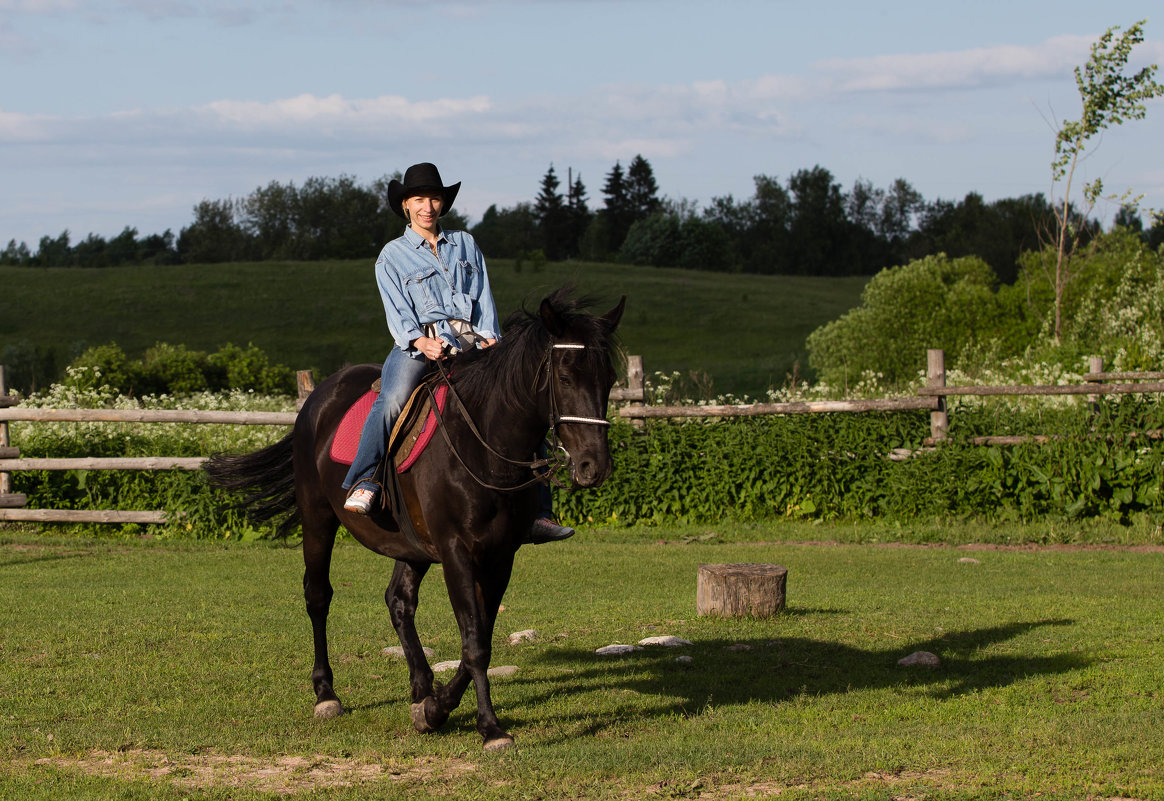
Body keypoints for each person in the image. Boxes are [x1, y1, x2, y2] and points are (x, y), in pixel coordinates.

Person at [342, 162, 574, 544]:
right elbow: (397, 311)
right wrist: (420, 341)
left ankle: (539, 511)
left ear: (443, 203)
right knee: (392, 399)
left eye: (434, 198)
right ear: (405, 205)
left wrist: (489, 337)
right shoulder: (392, 256)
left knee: (521, 404)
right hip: (419, 346)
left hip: (472, 345)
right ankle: (365, 478)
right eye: (418, 199)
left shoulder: (466, 244)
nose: (427, 207)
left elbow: (483, 295)